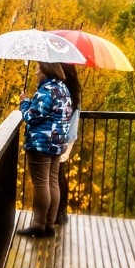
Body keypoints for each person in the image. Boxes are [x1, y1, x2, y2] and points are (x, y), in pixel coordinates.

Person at [17, 61, 74, 238]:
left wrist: (24, 102)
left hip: (41, 144)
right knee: (52, 182)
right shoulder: (63, 89)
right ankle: (49, 224)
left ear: (46, 71)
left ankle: (38, 225)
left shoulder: (46, 91)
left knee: (41, 184)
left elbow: (32, 117)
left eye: (37, 69)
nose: (35, 72)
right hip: (57, 143)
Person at [55, 62, 82, 224]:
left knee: (56, 175)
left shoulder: (63, 91)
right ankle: (61, 212)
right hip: (69, 136)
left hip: (62, 135)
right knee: (59, 173)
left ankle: (59, 213)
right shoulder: (74, 90)